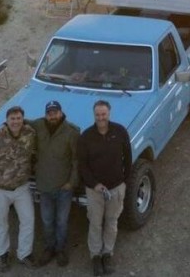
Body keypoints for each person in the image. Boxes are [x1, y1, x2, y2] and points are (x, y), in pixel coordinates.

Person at [77, 100, 132, 276]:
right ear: (94, 115)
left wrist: (124, 180)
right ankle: (95, 256)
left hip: (116, 188)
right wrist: (95, 184)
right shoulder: (86, 137)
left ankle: (107, 254)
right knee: (95, 223)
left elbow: (128, 157)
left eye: (104, 114)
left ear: (109, 113)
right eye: (98, 115)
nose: (101, 117)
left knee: (111, 222)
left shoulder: (120, 131)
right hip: (94, 190)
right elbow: (83, 165)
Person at [0, 106, 38, 272]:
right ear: (7, 120)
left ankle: (24, 254)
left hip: (22, 188)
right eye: (12, 118)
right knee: (1, 223)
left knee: (28, 221)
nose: (16, 121)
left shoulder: (30, 134)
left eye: (19, 118)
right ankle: (2, 254)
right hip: (1, 190)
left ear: (23, 119)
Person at [28, 100, 79, 267]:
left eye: (55, 112)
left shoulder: (71, 132)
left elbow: (76, 160)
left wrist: (72, 182)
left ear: (61, 113)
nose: (52, 116)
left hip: (63, 187)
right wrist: (6, 123)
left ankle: (61, 250)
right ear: (45, 114)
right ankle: (49, 248)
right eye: (49, 113)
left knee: (62, 221)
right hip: (44, 186)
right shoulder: (38, 125)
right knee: (47, 220)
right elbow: (20, 122)